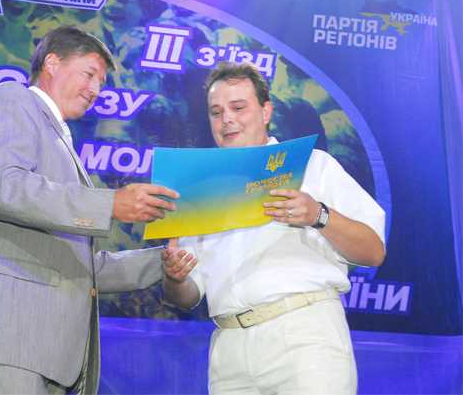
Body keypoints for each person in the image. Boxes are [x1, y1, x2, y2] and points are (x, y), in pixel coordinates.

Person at [0, 26, 179, 395]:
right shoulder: (13, 101)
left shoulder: (61, 144)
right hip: (6, 339)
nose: (95, 90)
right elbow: (1, 184)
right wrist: (110, 204)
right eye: (89, 74)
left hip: (44, 353)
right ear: (52, 62)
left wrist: (162, 261)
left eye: (101, 82)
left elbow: (80, 267)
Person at [162, 63, 386, 395]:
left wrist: (318, 214)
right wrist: (175, 276)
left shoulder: (313, 165)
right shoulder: (198, 189)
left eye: (238, 107)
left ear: (266, 111)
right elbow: (187, 296)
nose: (227, 119)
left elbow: (373, 251)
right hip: (228, 351)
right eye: (216, 112)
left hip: (304, 338)